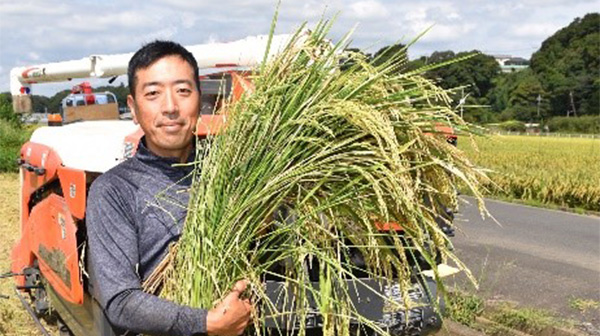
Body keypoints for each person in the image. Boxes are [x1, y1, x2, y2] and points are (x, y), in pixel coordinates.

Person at [87, 40, 252, 336]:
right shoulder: (114, 191)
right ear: (133, 108)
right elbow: (121, 301)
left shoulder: (235, 175)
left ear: (199, 99)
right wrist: (208, 323)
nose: (170, 107)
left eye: (183, 91)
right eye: (153, 93)